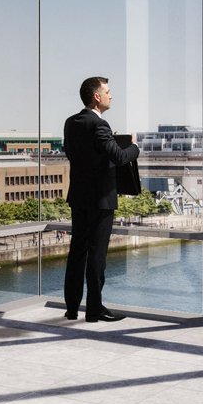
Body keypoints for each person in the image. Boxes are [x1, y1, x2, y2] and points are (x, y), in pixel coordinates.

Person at [62, 76, 139, 323]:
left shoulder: (71, 123)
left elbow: (73, 153)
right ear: (97, 97)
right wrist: (134, 147)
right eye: (107, 91)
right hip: (101, 200)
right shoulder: (99, 125)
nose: (111, 95)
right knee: (97, 256)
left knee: (77, 253)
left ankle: (72, 308)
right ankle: (94, 310)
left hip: (79, 197)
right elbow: (119, 157)